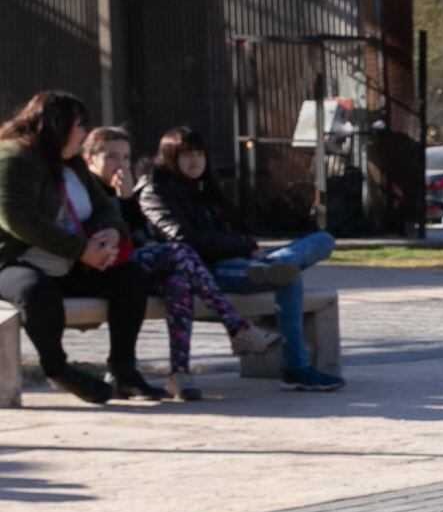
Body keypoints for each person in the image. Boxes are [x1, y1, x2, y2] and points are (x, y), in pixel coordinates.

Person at [140, 127, 344, 391]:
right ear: (170, 157)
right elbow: (182, 239)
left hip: (242, 260)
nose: (196, 161)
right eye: (187, 154)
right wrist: (241, 246)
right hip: (207, 271)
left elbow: (240, 230)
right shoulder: (156, 192)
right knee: (288, 277)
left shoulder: (207, 190)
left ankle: (275, 264)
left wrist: (247, 248)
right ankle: (296, 369)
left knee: (322, 240)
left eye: (200, 154)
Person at [84, 126, 274, 400]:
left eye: (126, 158)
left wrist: (126, 199)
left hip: (131, 269)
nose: (121, 165)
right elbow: (110, 237)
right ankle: (236, 326)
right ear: (90, 159)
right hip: (100, 267)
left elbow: (135, 231)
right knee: (179, 252)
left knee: (179, 281)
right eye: (112, 157)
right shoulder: (85, 188)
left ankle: (179, 373)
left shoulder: (124, 190)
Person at [0, 91, 159, 404]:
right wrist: (81, 249)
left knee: (131, 277)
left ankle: (124, 371)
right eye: (80, 126)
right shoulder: (13, 159)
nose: (85, 134)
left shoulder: (71, 162)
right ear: (57, 126)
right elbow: (20, 220)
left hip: (69, 263)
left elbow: (104, 206)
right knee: (36, 291)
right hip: (14, 263)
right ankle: (57, 369)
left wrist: (112, 234)